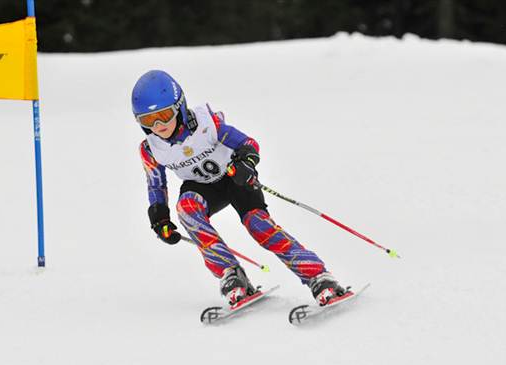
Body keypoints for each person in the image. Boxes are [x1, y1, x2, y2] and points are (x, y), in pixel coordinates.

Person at [132, 70, 346, 306]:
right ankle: (232, 276)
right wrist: (159, 216)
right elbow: (156, 184)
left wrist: (246, 162)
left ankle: (319, 277)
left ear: (179, 107)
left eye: (164, 115)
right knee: (186, 208)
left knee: (259, 226)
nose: (159, 125)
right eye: (148, 120)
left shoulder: (207, 124)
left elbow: (248, 144)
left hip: (235, 177)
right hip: (202, 188)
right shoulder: (150, 149)